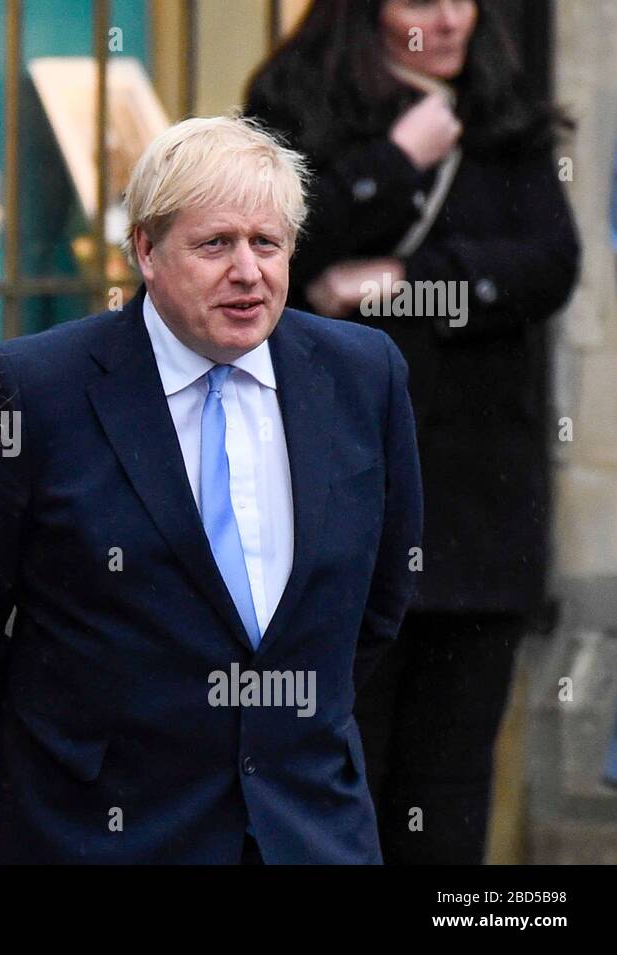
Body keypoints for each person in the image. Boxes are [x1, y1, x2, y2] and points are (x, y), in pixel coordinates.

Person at [0, 115, 422, 864]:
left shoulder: (362, 373)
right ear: (146, 249)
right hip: (98, 832)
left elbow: (380, 595)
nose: (247, 271)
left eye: (266, 243)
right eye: (215, 244)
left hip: (307, 829)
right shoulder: (33, 388)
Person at [246, 0, 580, 864]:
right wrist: (396, 161)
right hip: (337, 487)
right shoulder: (295, 100)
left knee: (452, 780)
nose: (449, 17)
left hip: (478, 496)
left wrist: (404, 281)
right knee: (337, 765)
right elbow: (277, 245)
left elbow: (548, 262)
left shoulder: (502, 111)